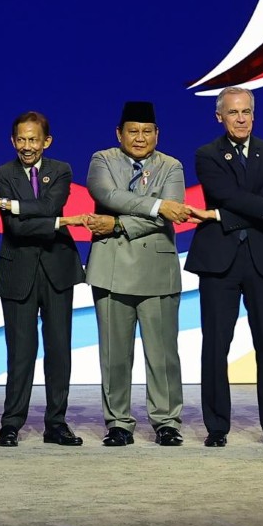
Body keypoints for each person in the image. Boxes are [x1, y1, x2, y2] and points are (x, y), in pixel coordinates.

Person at [187, 86, 263, 448]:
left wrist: (218, 216)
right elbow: (232, 196)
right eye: (233, 112)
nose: (240, 119)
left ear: (253, 115)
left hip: (262, 258)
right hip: (219, 260)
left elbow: (261, 201)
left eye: (246, 112)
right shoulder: (207, 154)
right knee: (215, 344)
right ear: (219, 117)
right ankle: (216, 427)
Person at [0, 111, 90, 447]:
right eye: (22, 140)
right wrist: (59, 223)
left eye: (34, 139)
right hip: (18, 271)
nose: (28, 146)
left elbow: (50, 205)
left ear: (46, 141)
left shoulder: (61, 170)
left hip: (58, 269)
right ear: (13, 142)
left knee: (59, 350)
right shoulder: (3, 174)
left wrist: (10, 205)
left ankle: (56, 423)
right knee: (20, 352)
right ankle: (11, 423)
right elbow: (17, 227)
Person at [85, 100, 190, 447]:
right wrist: (157, 204)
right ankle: (118, 422)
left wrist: (115, 223)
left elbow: (170, 215)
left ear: (157, 134)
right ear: (119, 134)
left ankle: (167, 422)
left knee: (162, 355)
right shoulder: (102, 160)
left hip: (157, 269)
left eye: (147, 131)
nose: (140, 137)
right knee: (114, 355)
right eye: (133, 131)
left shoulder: (171, 166)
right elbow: (108, 194)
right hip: (111, 269)